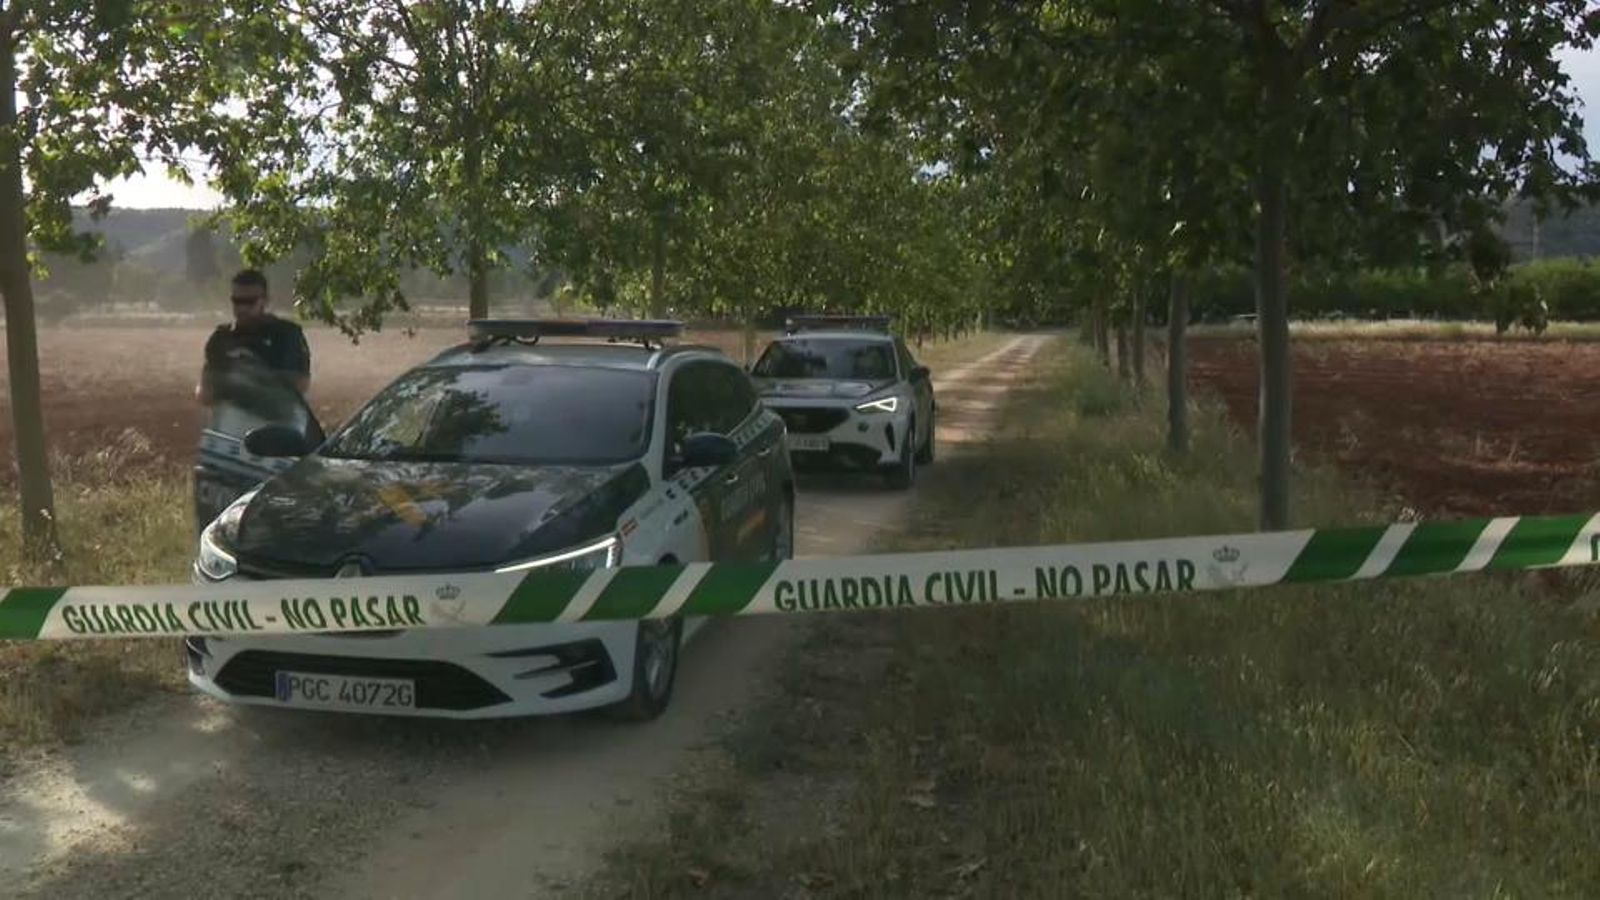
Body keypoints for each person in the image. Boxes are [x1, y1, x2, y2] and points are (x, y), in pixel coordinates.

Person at [195, 268, 311, 406]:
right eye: (237, 301)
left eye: (250, 301)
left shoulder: (287, 335)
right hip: (231, 421)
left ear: (265, 301)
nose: (242, 308)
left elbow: (301, 383)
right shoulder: (221, 339)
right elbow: (204, 392)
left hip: (278, 419)